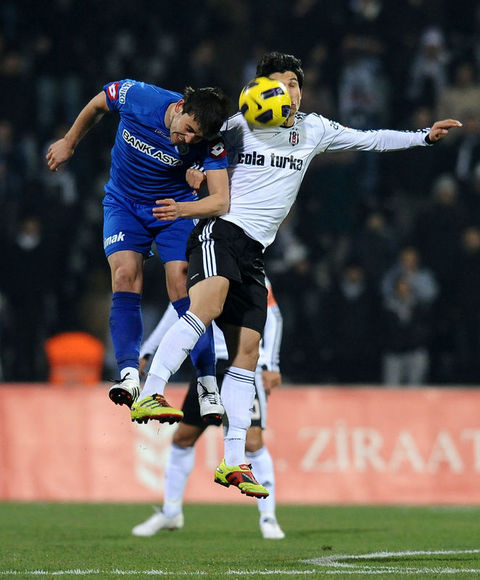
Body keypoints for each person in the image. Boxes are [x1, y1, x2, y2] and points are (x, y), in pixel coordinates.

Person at [131, 51, 462, 498]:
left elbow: (370, 139)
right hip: (220, 235)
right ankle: (150, 392)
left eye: (293, 83)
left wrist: (424, 137)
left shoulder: (314, 130)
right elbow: (191, 149)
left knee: (247, 353)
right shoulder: (237, 127)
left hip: (255, 254)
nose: (288, 90)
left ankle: (232, 461)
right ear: (260, 88)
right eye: (278, 82)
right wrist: (190, 174)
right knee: (204, 308)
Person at [46, 79, 231, 422]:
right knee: (125, 275)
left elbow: (222, 201)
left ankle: (207, 383)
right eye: (188, 129)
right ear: (180, 108)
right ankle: (130, 375)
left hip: (172, 210)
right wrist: (70, 142)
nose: (188, 139)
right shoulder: (138, 96)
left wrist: (191, 195)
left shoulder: (210, 143)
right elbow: (98, 104)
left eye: (197, 138)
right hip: (124, 205)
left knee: (181, 283)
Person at [132, 277, 285, 540]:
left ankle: (268, 517)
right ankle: (171, 511)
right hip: (208, 368)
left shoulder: (250, 269)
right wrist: (148, 349)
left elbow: (273, 316)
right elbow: (177, 312)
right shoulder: (199, 269)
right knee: (183, 438)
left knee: (253, 441)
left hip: (244, 365)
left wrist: (271, 363)